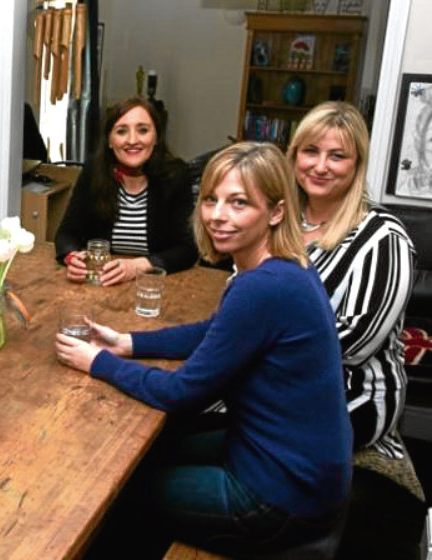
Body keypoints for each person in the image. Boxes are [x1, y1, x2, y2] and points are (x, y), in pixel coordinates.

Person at [55, 142, 352, 558]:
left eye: (239, 203)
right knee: (152, 453)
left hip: (281, 495)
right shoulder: (286, 266)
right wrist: (128, 343)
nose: (217, 216)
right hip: (298, 467)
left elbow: (182, 394)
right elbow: (213, 331)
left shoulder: (262, 287)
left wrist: (98, 362)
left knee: (117, 491)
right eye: (211, 200)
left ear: (277, 211)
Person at [287, 101, 426, 558]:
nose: (320, 166)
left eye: (337, 156)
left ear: (357, 164)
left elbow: (352, 342)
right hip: (278, 383)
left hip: (353, 398)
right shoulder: (282, 223)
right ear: (293, 156)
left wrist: (254, 355)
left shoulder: (382, 237)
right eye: (310, 151)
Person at [54, 97, 197, 286]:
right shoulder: (93, 172)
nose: (132, 140)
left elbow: (187, 249)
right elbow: (66, 234)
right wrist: (72, 258)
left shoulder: (177, 175)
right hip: (101, 283)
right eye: (121, 131)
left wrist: (139, 266)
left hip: (155, 285)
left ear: (156, 138)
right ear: (110, 141)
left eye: (143, 130)